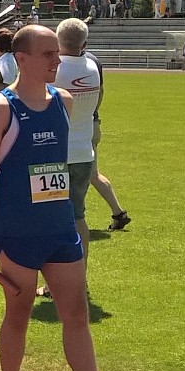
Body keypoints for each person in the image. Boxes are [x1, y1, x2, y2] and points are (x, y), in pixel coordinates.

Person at [0, 24, 138, 371]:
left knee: (76, 314)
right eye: (47, 54)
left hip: (60, 228)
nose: (56, 61)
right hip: (18, 232)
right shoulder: (0, 109)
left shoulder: (64, 101)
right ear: (21, 59)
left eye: (57, 53)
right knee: (19, 313)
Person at [53, 19, 111, 276]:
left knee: (53, 219)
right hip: (83, 152)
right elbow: (98, 100)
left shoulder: (55, 67)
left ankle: (57, 279)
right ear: (84, 43)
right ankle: (79, 277)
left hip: (55, 153)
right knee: (78, 216)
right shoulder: (92, 66)